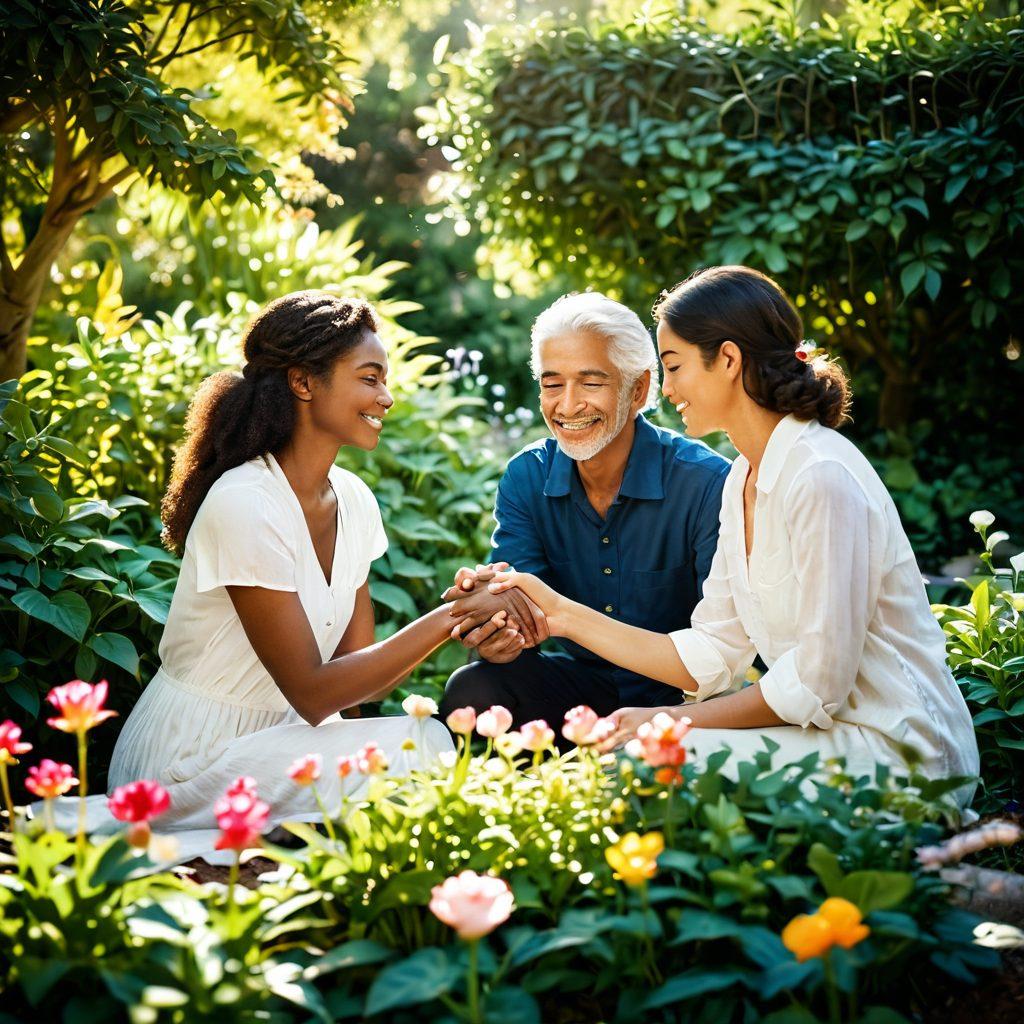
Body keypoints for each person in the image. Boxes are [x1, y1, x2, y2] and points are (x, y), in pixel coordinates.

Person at [49, 291, 525, 860]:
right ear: (303, 383)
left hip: (286, 745)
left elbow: (356, 686)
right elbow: (313, 690)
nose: (387, 397)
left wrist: (469, 622)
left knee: (420, 746)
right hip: (190, 758)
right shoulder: (246, 501)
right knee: (426, 747)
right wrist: (449, 617)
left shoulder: (354, 500)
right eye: (369, 378)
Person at [481, 266, 979, 795]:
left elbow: (818, 682)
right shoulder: (743, 476)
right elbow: (714, 650)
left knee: (641, 767)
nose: (664, 389)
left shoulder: (819, 474)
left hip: (902, 754)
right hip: (820, 737)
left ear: (728, 360)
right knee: (628, 764)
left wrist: (669, 720)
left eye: (672, 367)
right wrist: (558, 614)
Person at [438, 292, 730, 741]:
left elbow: (726, 646)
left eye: (590, 383)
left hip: (686, 699)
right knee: (474, 688)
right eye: (552, 384)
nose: (567, 405)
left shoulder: (706, 483)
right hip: (579, 694)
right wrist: (495, 621)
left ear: (639, 390)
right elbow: (520, 610)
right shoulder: (526, 476)